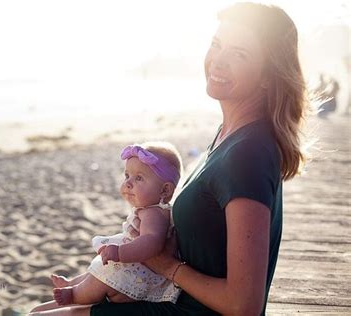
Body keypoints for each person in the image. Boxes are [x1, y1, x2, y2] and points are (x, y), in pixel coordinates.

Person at [29, 2, 310, 315]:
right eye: (217, 45)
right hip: (172, 297)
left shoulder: (248, 154)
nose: (218, 60)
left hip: (191, 310)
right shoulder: (228, 134)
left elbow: (244, 306)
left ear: (269, 76)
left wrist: (165, 266)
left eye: (239, 54)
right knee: (40, 311)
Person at [31, 142, 183, 312]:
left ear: (165, 190)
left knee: (102, 278)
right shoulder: (148, 209)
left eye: (139, 178)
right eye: (127, 176)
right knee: (99, 268)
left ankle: (75, 295)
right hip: (136, 263)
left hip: (140, 274)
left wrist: (119, 253)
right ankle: (73, 283)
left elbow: (151, 242)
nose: (128, 183)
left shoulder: (154, 213)